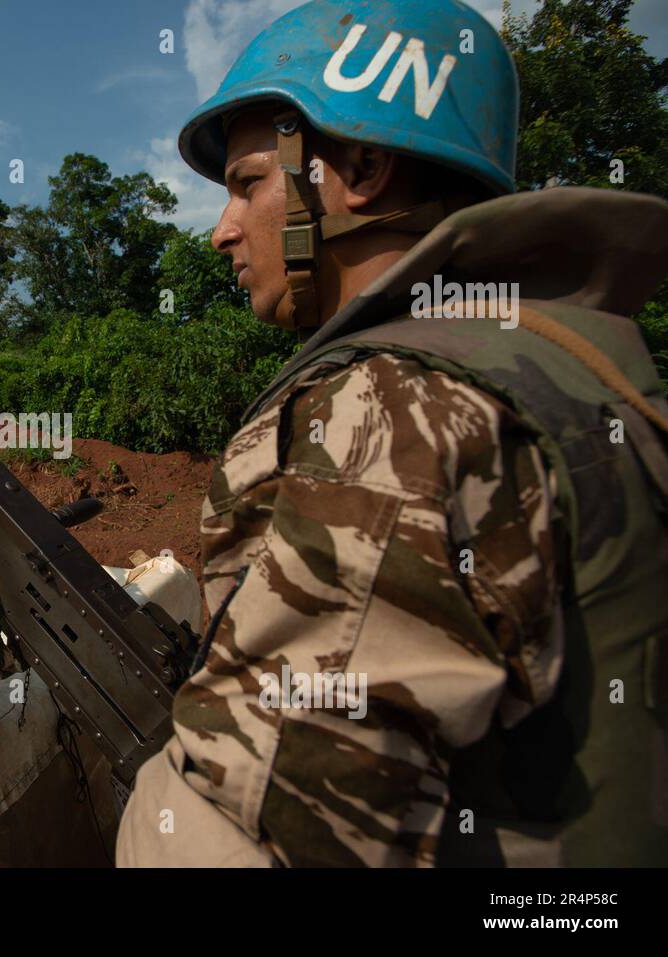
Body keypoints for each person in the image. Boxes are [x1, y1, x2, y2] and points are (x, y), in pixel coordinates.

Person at [117, 0, 668, 866]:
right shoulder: (573, 364)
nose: (223, 230)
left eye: (248, 183)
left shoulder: (394, 408)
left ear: (361, 169)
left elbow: (261, 835)